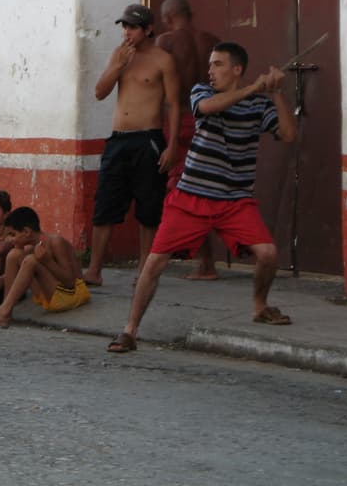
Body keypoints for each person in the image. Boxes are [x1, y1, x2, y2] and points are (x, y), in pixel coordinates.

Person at [107, 42, 297, 353]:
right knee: (154, 263)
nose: (210, 71)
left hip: (235, 200)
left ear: (236, 69)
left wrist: (275, 93)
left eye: (218, 64)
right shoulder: (201, 92)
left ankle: (260, 306)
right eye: (210, 64)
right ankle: (129, 330)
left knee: (268, 254)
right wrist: (253, 87)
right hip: (191, 197)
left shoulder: (258, 105)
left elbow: (288, 135)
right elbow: (208, 110)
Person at [82, 4, 180, 287]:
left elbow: (173, 105)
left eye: (133, 27)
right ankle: (94, 270)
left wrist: (172, 146)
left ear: (148, 29)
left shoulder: (164, 60)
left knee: (148, 208)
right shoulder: (120, 55)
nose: (127, 33)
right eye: (124, 27)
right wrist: (117, 65)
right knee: (105, 205)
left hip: (148, 138)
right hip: (118, 139)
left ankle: (144, 271)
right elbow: (100, 92)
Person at [157, 0, 222, 280]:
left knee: (183, 190)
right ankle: (208, 260)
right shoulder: (213, 42)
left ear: (169, 17)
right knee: (212, 185)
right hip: (211, 119)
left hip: (181, 119)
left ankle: (204, 262)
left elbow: (164, 92)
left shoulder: (167, 43)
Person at [0, 207, 90, 327]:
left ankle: (3, 312)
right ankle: (5, 309)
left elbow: (70, 282)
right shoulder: (30, 248)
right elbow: (6, 277)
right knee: (14, 254)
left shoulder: (55, 242)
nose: (9, 239)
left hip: (71, 296)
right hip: (50, 296)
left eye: (12, 234)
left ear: (26, 232)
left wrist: (47, 261)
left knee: (30, 260)